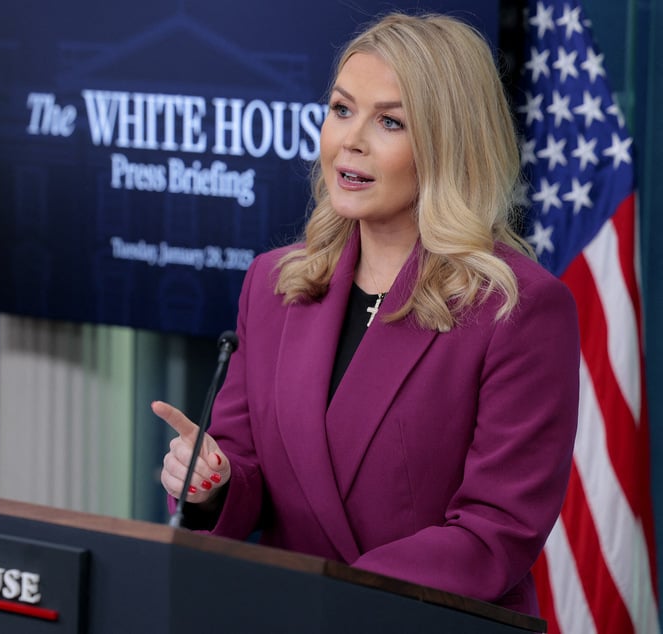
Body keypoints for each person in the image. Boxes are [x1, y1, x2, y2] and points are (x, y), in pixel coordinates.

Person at [151, 12, 580, 617]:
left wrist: (333, 599)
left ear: (448, 143)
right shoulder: (275, 283)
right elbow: (247, 470)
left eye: (390, 121)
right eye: (341, 109)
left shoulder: (521, 309)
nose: (350, 140)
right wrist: (214, 483)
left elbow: (495, 534)